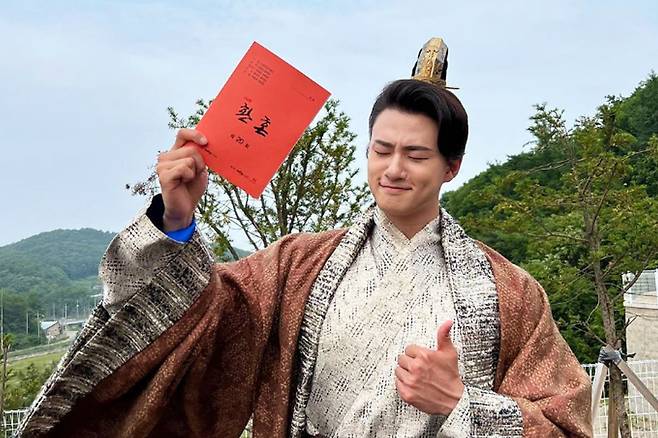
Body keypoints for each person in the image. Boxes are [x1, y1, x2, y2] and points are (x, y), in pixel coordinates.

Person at [17, 39, 592, 437]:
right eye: (381, 150)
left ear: (452, 167)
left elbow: (566, 422)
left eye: (416, 155)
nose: (393, 169)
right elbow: (201, 318)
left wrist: (462, 405)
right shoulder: (297, 266)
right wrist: (177, 219)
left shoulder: (510, 293)